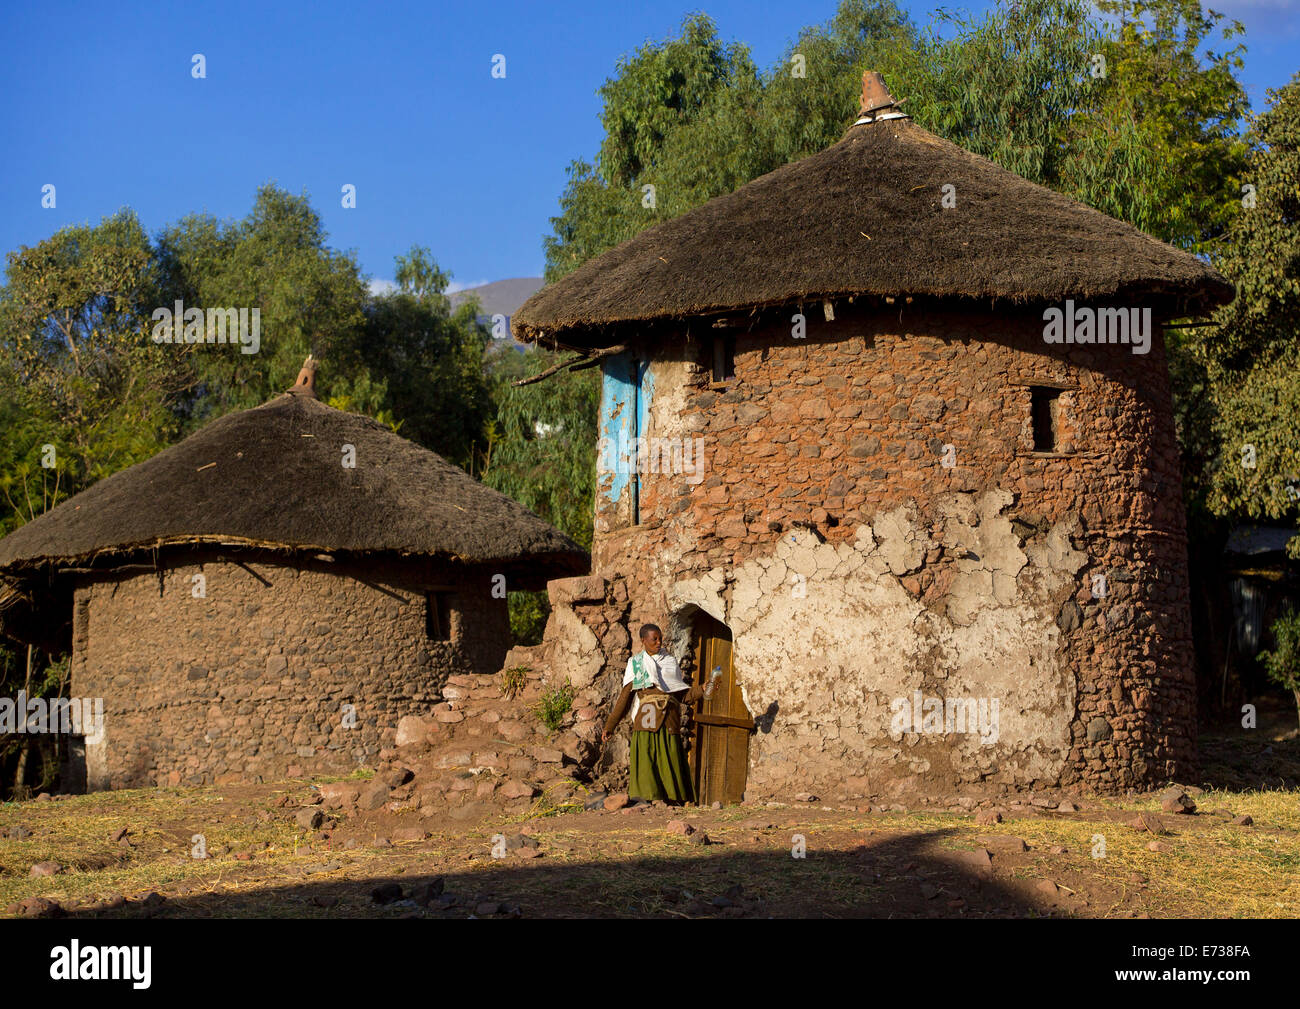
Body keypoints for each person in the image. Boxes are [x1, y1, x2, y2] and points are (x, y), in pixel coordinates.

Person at [601, 623, 703, 804]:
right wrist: (610, 726)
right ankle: (646, 800)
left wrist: (704, 689)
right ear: (643, 640)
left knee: (670, 758)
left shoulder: (670, 662)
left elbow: (684, 696)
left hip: (669, 721)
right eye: (654, 639)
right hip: (646, 720)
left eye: (660, 639)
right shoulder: (636, 664)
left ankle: (673, 800)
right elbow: (625, 698)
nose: (658, 643)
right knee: (647, 760)